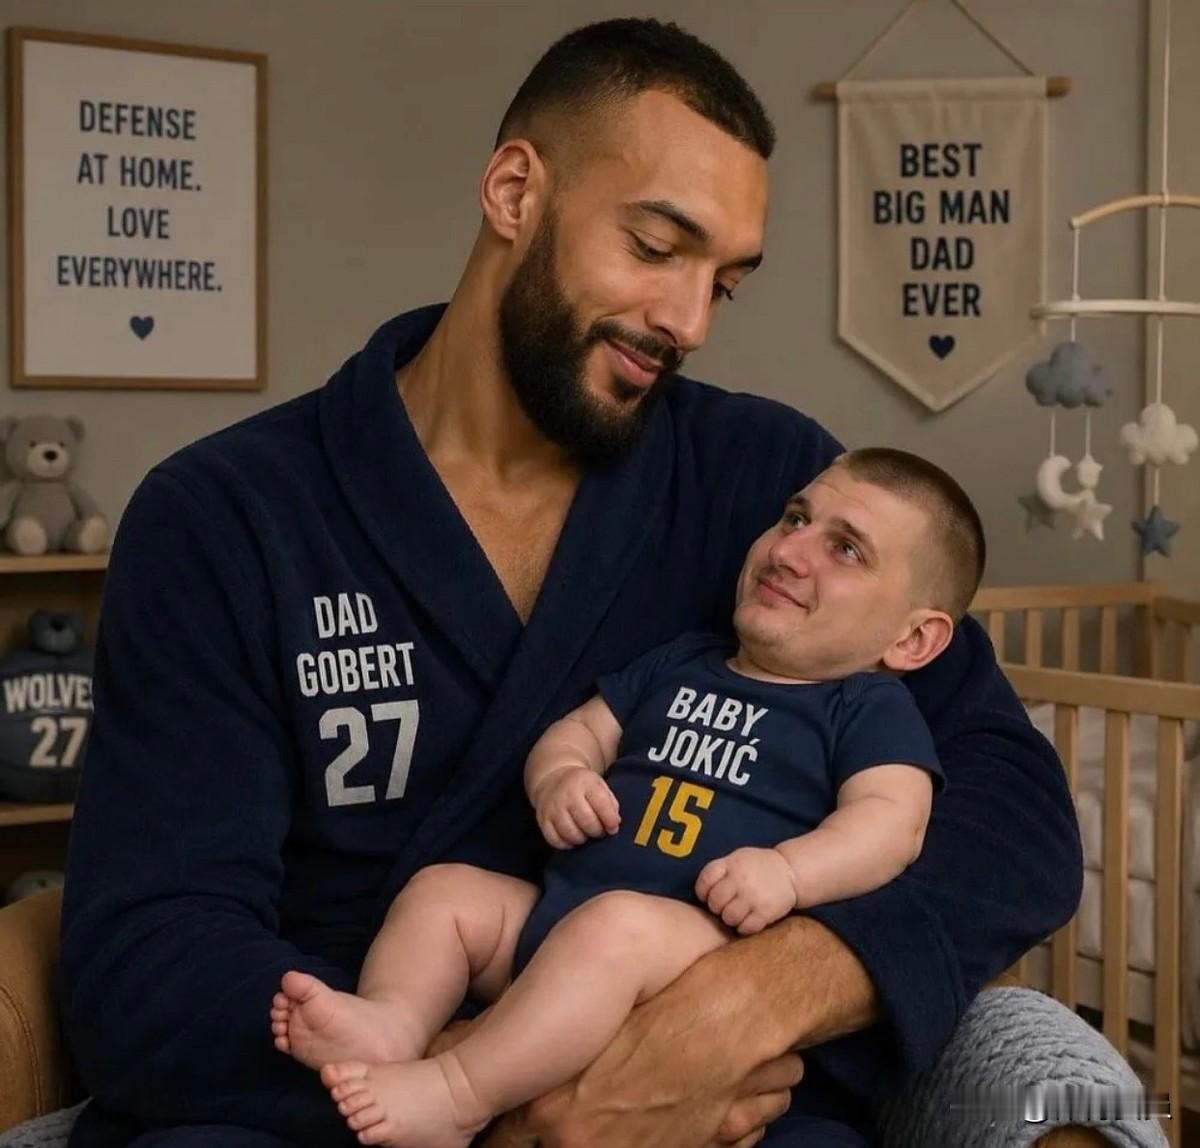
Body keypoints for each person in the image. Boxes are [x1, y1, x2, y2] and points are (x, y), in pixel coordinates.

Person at [59, 17, 1081, 1148]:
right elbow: (147, 956)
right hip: (340, 1097)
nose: (688, 322)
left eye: (725, 284)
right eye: (655, 246)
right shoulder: (227, 517)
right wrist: (515, 1102)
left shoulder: (767, 484)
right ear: (514, 191)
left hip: (708, 1095)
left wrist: (756, 999)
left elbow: (1015, 812)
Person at [269, 447, 979, 1148]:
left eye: (846, 550)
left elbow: (892, 824)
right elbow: (580, 731)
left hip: (693, 953)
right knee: (444, 893)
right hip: (562, 922)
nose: (790, 552)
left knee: (614, 930)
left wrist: (790, 872)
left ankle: (457, 1096)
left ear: (914, 639)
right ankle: (393, 1024)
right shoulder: (682, 661)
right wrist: (562, 776)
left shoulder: (865, 709)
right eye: (795, 518)